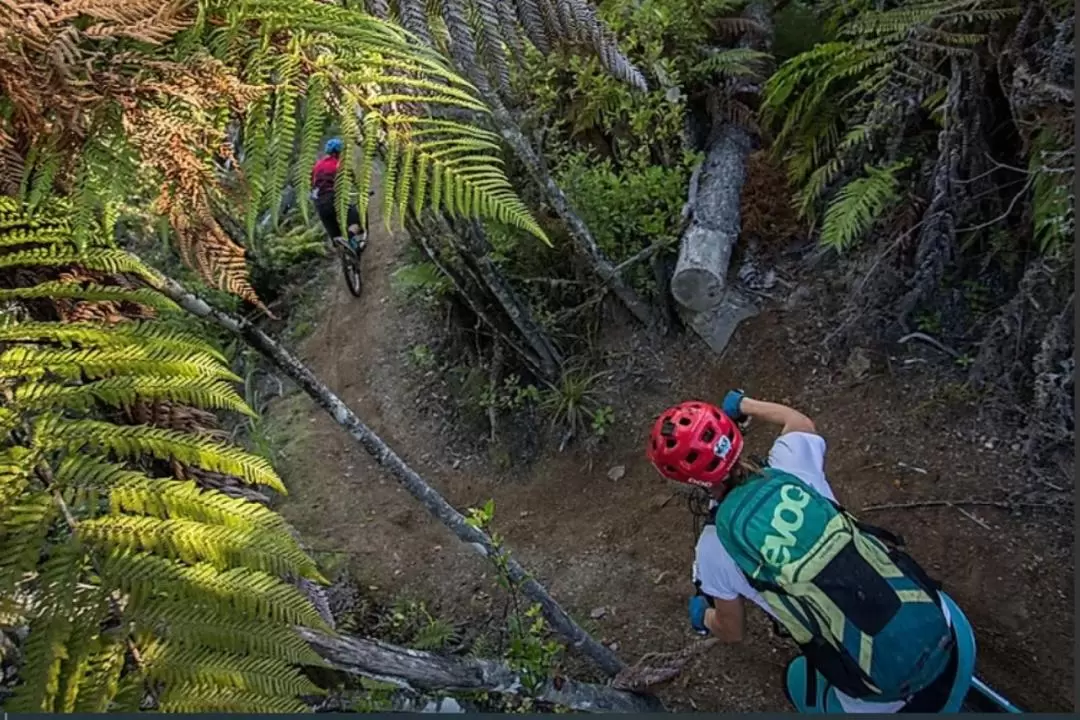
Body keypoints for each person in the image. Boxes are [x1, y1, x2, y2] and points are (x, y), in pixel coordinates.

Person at [646, 393, 963, 713]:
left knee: (797, 681)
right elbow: (799, 422)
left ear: (690, 482)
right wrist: (742, 405)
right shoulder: (790, 464)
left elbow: (732, 631)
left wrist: (704, 617)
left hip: (888, 693)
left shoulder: (713, 549)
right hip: (943, 626)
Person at [311, 138, 366, 253]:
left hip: (319, 203)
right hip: (333, 198)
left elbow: (312, 183)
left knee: (335, 234)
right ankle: (350, 237)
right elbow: (352, 180)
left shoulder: (317, 166)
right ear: (339, 152)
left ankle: (343, 255)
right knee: (355, 220)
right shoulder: (340, 165)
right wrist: (361, 191)